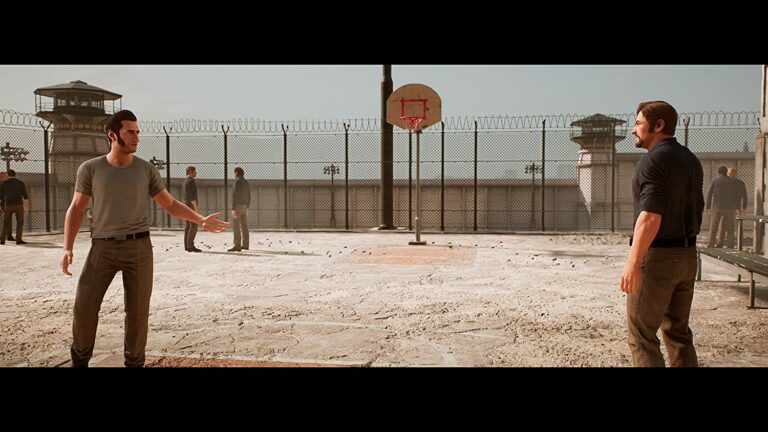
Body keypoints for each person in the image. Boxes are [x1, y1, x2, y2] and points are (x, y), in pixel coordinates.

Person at [60, 110, 229, 368]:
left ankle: (134, 363)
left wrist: (201, 219)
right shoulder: (91, 169)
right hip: (102, 247)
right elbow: (77, 208)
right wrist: (67, 247)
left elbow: (170, 204)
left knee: (138, 313)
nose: (137, 137)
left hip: (139, 249)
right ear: (112, 135)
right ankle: (79, 361)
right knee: (84, 307)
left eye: (138, 132)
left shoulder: (145, 169)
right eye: (130, 132)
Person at [620, 101, 703, 367]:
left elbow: (651, 216)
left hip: (658, 259)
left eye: (638, 123)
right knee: (678, 333)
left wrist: (634, 262)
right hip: (688, 256)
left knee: (642, 336)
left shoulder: (653, 160)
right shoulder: (690, 159)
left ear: (658, 126)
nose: (634, 130)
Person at [705, 165, 739, 248]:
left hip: (717, 207)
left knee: (714, 228)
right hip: (729, 208)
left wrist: (707, 206)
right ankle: (730, 245)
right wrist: (737, 207)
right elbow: (736, 196)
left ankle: (711, 244)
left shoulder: (715, 181)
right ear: (726, 172)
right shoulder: (732, 181)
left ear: (718, 172)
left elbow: (709, 194)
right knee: (730, 229)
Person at [0, 169, 29, 245]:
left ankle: (2, 240)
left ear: (8, 175)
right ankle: (18, 240)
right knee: (20, 222)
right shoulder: (20, 183)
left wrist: (0, 206)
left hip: (8, 205)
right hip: (19, 205)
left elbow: (1, 197)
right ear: (15, 175)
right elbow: (25, 196)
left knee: (6, 222)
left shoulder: (4, 183)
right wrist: (26, 207)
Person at [228, 167, 250, 252]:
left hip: (237, 206)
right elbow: (249, 195)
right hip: (244, 205)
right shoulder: (246, 182)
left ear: (236, 173)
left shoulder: (236, 182)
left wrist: (233, 209)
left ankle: (237, 245)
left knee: (236, 226)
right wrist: (247, 206)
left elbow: (234, 196)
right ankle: (246, 244)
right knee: (244, 225)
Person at [727, 167, 749, 247]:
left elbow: (744, 196)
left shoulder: (740, 183)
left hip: (736, 208)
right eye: (728, 173)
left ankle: (739, 243)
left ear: (734, 174)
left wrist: (744, 207)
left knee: (738, 226)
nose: (729, 175)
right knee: (729, 227)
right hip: (727, 208)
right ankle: (730, 244)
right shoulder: (726, 183)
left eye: (730, 173)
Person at [183, 166, 201, 252]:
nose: (196, 173)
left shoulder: (185, 181)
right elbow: (192, 197)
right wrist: (196, 208)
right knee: (193, 226)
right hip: (191, 206)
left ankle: (187, 245)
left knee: (188, 226)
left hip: (186, 206)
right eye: (195, 171)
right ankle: (191, 246)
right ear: (190, 172)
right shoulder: (191, 182)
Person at [0, 171, 17, 242]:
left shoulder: (6, 183)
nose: (6, 176)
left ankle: (8, 235)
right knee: (8, 219)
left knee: (8, 219)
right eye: (4, 175)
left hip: (6, 203)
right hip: (3, 203)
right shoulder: (4, 183)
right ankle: (8, 235)